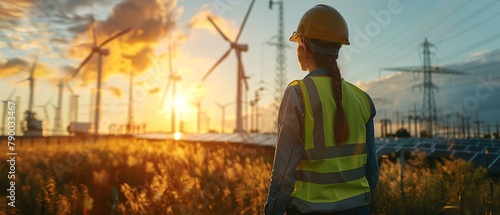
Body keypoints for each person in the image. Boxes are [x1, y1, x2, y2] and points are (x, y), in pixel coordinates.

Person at [264, 4, 379, 215]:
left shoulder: (298, 94)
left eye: (298, 43)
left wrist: (273, 210)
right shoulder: (363, 99)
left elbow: (283, 175)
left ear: (304, 47)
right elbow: (372, 173)